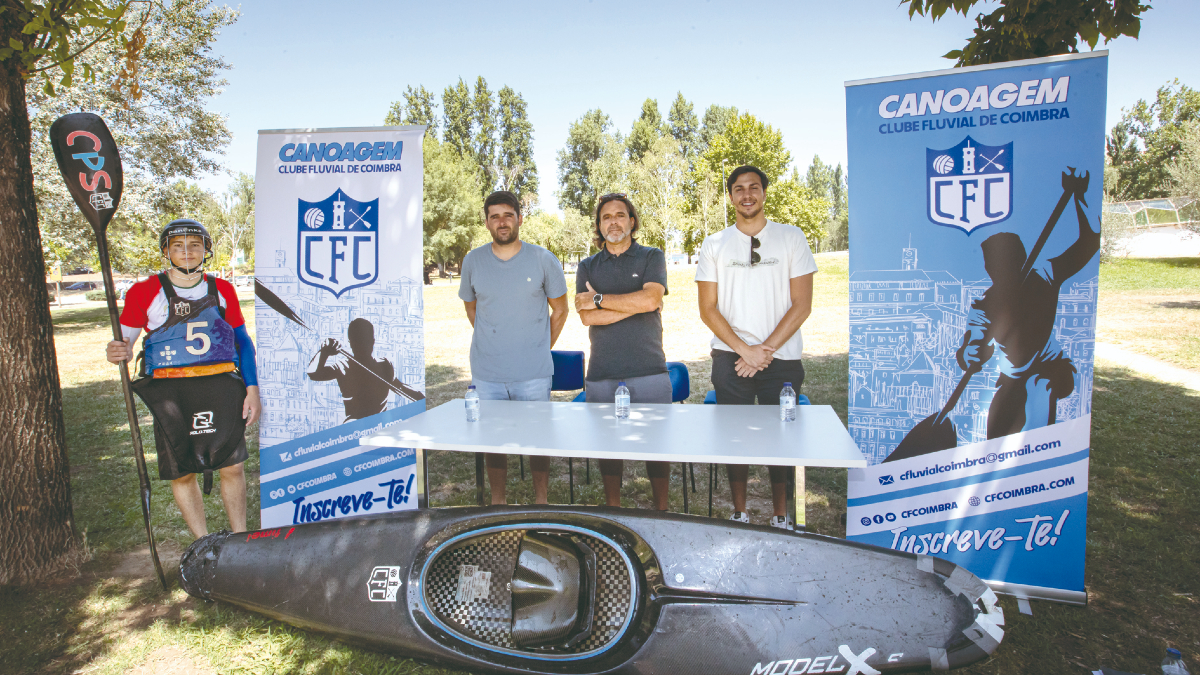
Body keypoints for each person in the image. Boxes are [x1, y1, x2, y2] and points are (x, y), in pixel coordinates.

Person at [106, 219, 261, 538]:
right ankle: (202, 542)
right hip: (171, 391)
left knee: (232, 465)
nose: (187, 252)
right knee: (182, 471)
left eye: (194, 245)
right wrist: (116, 350)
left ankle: (240, 538)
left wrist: (252, 389)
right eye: (178, 246)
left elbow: (243, 342)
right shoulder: (144, 291)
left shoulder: (223, 289)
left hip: (220, 385)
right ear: (166, 251)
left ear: (206, 250)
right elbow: (123, 344)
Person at [695, 166, 817, 528]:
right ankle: (740, 512)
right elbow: (707, 308)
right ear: (730, 196)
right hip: (730, 358)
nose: (746, 195)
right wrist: (744, 350)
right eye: (738, 189)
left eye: (753, 187)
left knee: (782, 437)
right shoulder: (714, 244)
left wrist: (764, 350)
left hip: (782, 357)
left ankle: (781, 515)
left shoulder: (792, 237)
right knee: (736, 437)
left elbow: (802, 304)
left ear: (764, 193)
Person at [957, 179, 1099, 438]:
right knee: (997, 432)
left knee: (1038, 388)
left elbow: (1088, 243)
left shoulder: (1045, 275)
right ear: (989, 269)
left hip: (1051, 368)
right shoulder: (984, 305)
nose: (1005, 271)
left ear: (1023, 260)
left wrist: (1079, 196)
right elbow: (973, 344)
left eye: (1013, 262)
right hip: (1011, 377)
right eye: (998, 266)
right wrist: (971, 353)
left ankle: (1039, 452)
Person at [459, 191, 569, 505]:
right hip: (487, 373)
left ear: (520, 218)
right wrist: (495, 342)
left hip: (533, 373)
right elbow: (472, 309)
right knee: (493, 442)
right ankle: (498, 503)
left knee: (538, 440)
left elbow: (560, 310)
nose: (502, 222)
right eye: (494, 216)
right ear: (486, 222)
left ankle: (541, 501)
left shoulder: (543, 259)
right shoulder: (473, 261)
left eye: (508, 215)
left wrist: (538, 347)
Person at [575, 193, 672, 510]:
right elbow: (587, 317)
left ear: (632, 222)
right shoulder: (587, 266)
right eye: (606, 217)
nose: (613, 222)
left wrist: (600, 300)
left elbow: (651, 299)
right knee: (608, 450)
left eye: (620, 215)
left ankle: (662, 511)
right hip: (602, 372)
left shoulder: (652, 256)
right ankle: (613, 510)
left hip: (649, 369)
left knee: (657, 448)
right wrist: (637, 304)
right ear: (599, 225)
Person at [308, 317, 423, 421]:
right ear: (351, 343)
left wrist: (421, 398)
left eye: (366, 341)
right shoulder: (343, 367)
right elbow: (313, 373)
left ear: (373, 342)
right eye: (358, 342)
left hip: (381, 424)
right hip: (354, 426)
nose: (362, 346)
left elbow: (399, 387)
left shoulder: (384, 364)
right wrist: (324, 352)